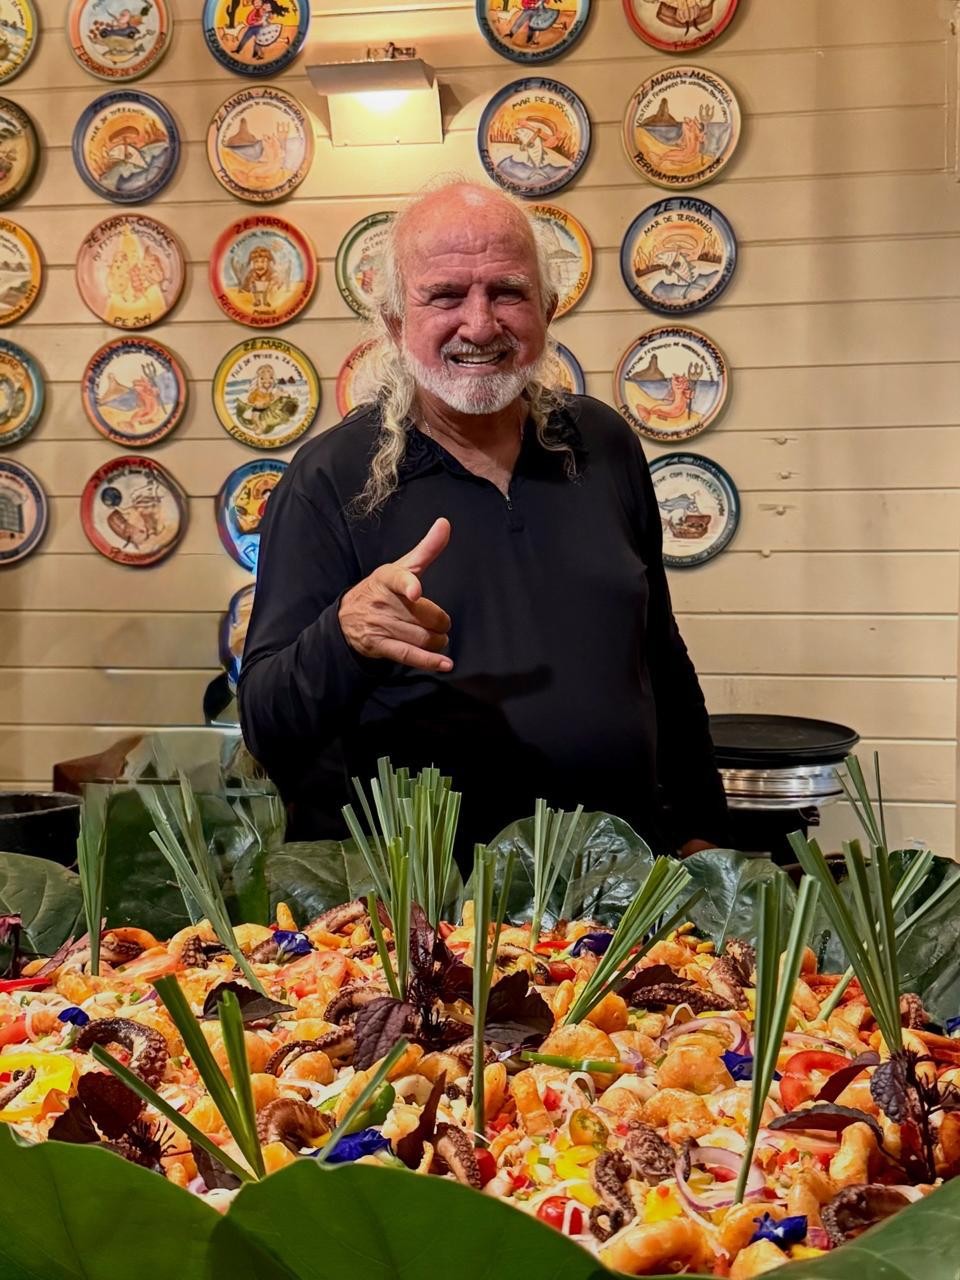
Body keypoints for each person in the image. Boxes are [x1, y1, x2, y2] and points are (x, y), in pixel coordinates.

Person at [238, 179, 727, 865]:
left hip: (621, 886)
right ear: (394, 323)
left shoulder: (604, 444)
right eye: (444, 295)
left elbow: (660, 658)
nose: (479, 323)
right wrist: (345, 638)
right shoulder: (328, 479)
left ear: (548, 310)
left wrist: (701, 829)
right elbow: (265, 722)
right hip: (431, 914)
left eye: (507, 291)